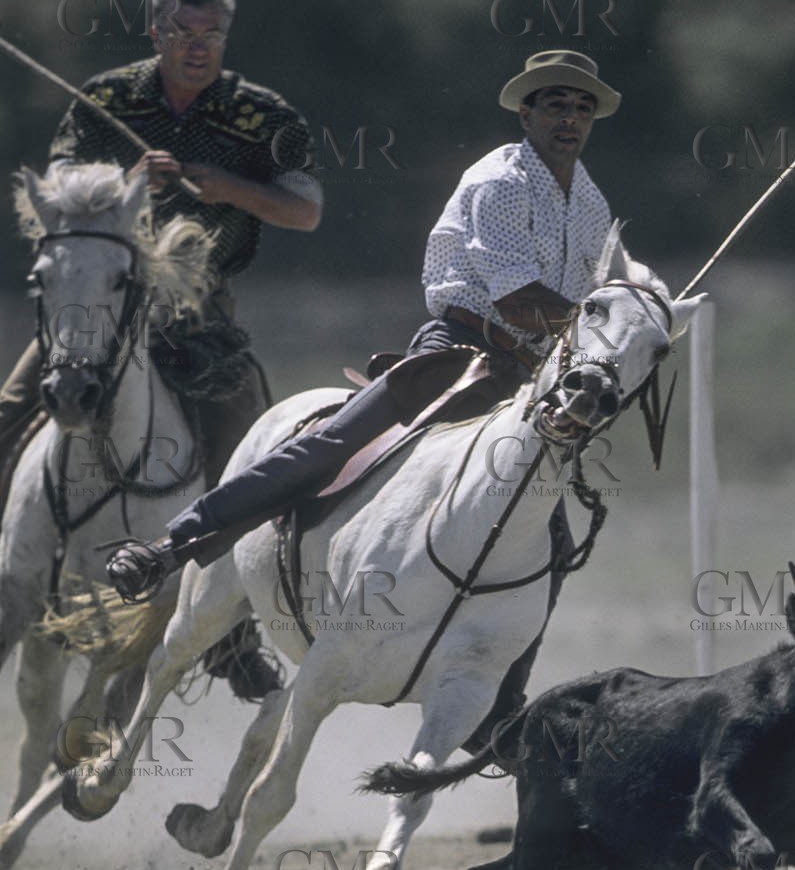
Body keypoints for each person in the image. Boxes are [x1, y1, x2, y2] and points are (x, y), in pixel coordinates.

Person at [106, 48, 622, 610]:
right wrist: (609, 323)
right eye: (555, 104)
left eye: (581, 107)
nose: (569, 117)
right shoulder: (500, 178)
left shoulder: (592, 201)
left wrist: (635, 318)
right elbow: (519, 302)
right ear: (527, 114)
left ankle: (505, 683)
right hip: (458, 354)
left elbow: (605, 290)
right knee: (331, 445)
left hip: (530, 377)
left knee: (550, 541)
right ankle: (171, 546)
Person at [0, 0, 322, 696]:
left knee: (249, 453)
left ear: (224, 39)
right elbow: (57, 191)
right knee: (10, 410)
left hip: (200, 308)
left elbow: (305, 211)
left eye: (210, 36)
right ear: (156, 33)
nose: (197, 47)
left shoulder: (258, 114)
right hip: (99, 300)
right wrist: (125, 180)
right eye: (182, 33)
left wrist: (226, 185)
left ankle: (231, 636)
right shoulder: (107, 97)